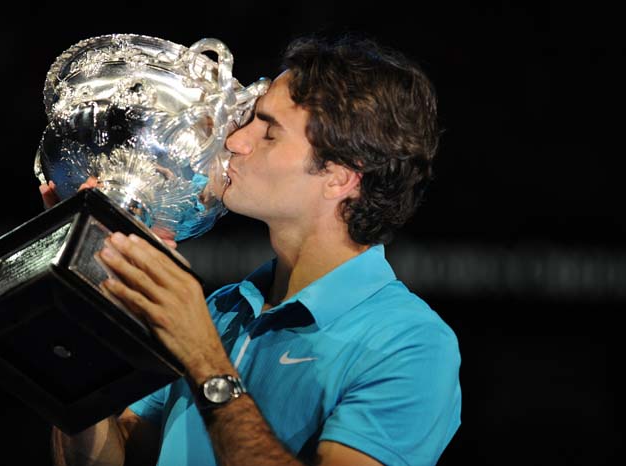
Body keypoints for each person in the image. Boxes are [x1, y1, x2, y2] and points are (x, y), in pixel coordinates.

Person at [46, 33, 461, 466]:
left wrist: (206, 359)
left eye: (269, 133)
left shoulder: (410, 344)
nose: (236, 141)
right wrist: (80, 304)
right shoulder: (219, 311)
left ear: (340, 178)